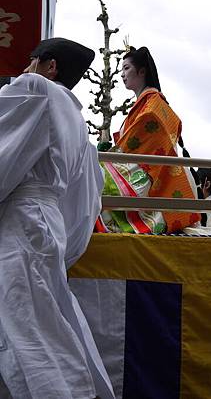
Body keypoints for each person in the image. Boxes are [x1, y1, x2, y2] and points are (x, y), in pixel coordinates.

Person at [0, 38, 114, 397]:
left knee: (29, 332)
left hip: (18, 220)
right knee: (42, 324)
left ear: (50, 66)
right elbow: (85, 204)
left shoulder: (34, 88)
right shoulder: (81, 127)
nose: (23, 69)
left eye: (31, 60)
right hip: (48, 224)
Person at [97, 46, 199, 234]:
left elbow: (135, 147)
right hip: (147, 168)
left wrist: (110, 154)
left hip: (154, 173)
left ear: (142, 71)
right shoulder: (146, 104)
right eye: (121, 70)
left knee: (93, 173)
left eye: (126, 68)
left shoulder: (153, 106)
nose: (122, 75)